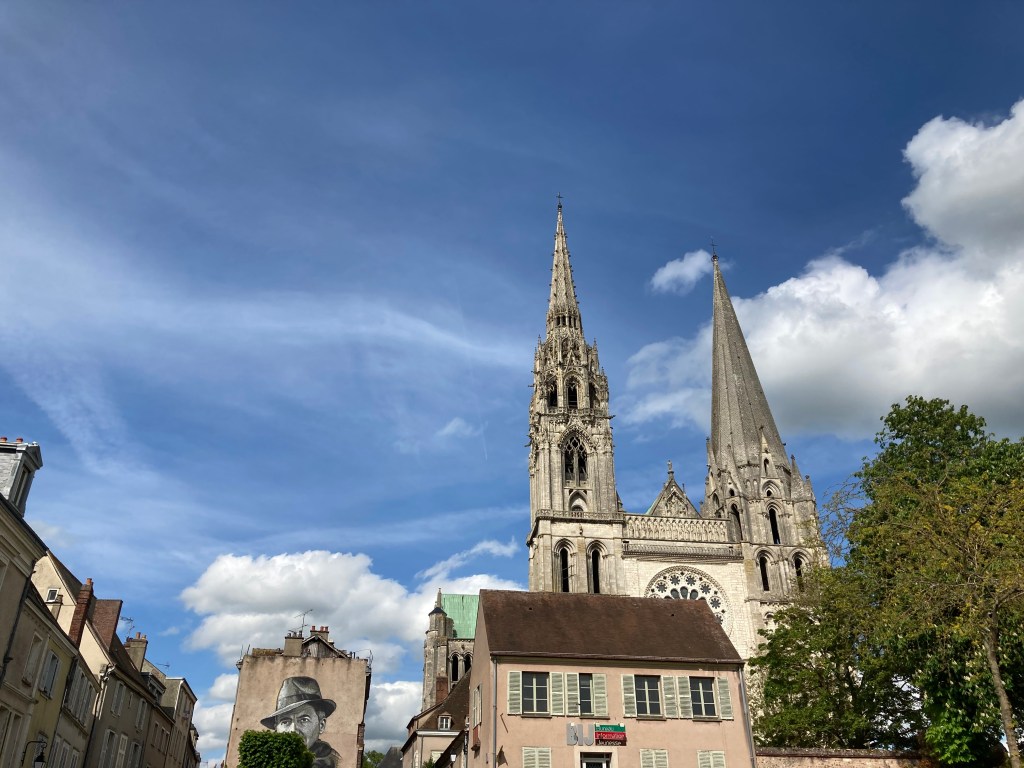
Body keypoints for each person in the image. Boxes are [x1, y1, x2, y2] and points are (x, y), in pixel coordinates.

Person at [260, 676, 341, 768]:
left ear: (321, 725)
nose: (293, 730)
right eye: (285, 722)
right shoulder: (265, 761)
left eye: (304, 720)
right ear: (276, 728)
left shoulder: (333, 763)